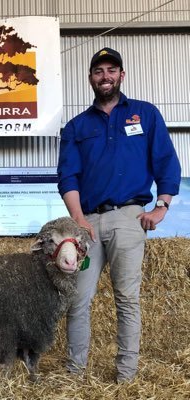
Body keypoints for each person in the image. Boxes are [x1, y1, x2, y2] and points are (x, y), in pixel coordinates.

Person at [57, 47, 181, 383]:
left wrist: (162, 206)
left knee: (127, 299)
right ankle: (74, 374)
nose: (105, 76)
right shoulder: (76, 126)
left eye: (112, 70)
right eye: (99, 71)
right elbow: (67, 176)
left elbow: (166, 162)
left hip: (129, 218)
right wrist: (79, 220)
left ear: (122, 75)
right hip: (88, 223)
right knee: (78, 300)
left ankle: (126, 377)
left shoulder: (145, 114)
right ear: (90, 78)